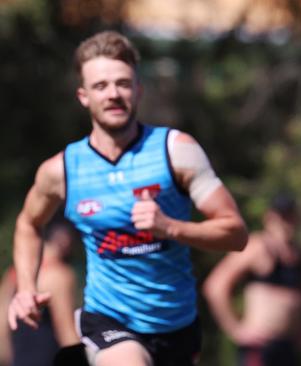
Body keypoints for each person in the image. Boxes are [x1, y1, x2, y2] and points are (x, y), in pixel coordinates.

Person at [6, 30, 248, 366]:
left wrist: (172, 227)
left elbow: (235, 234)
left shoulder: (176, 152)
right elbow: (29, 224)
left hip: (177, 325)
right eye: (101, 86)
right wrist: (26, 287)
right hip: (108, 321)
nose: (113, 94)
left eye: (122, 83)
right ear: (83, 96)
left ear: (138, 89)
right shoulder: (62, 170)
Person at [202, 195, 301, 366]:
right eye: (282, 216)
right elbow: (215, 286)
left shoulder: (297, 253)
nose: (286, 222)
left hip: (288, 348)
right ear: (269, 218)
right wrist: (235, 329)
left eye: (290, 215)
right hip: (260, 347)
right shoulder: (257, 246)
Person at [0, 219, 79, 366]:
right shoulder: (60, 275)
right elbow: (66, 332)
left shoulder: (12, 274)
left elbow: (2, 326)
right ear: (65, 240)